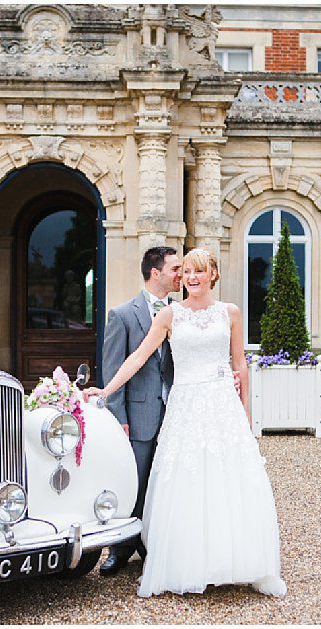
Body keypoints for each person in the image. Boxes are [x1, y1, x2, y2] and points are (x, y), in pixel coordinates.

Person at [84, 249, 286, 598]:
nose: (192, 277)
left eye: (199, 271)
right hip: (187, 406)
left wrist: (245, 412)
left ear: (213, 274)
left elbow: (239, 365)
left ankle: (234, 561)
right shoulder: (169, 315)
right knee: (188, 485)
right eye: (187, 271)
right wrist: (106, 390)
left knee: (229, 482)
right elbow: (138, 356)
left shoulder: (231, 313)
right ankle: (190, 564)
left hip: (223, 405)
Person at [97, 246, 181, 576]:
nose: (180, 274)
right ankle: (122, 547)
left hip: (177, 411)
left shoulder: (182, 312)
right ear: (155, 272)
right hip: (139, 414)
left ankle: (155, 545)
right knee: (135, 482)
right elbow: (113, 368)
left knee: (167, 483)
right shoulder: (122, 315)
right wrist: (119, 418)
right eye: (175, 268)